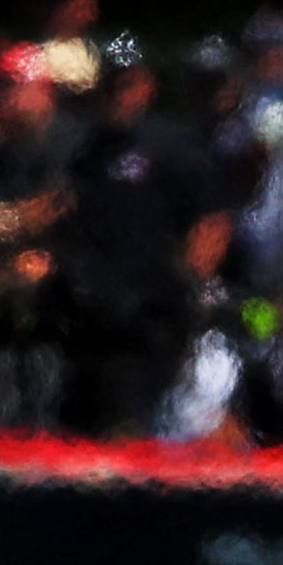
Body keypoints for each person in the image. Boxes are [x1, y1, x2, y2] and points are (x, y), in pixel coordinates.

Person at [42, 39, 224, 438]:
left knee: (136, 421)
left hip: (149, 310)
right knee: (77, 424)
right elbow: (63, 212)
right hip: (90, 309)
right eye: (111, 85)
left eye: (127, 84)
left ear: (146, 86)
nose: (118, 96)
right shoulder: (85, 150)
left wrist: (190, 281)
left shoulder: (172, 146)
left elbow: (211, 219)